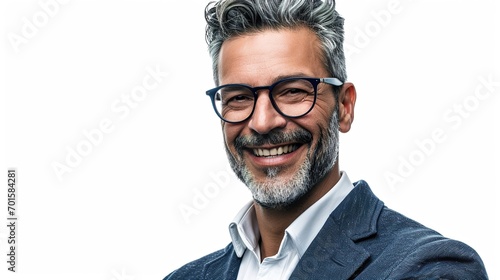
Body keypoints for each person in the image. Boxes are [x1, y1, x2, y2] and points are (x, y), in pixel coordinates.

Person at [164, 0, 488, 279]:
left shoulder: (432, 268)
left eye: (292, 91)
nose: (262, 122)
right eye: (238, 97)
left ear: (344, 107)